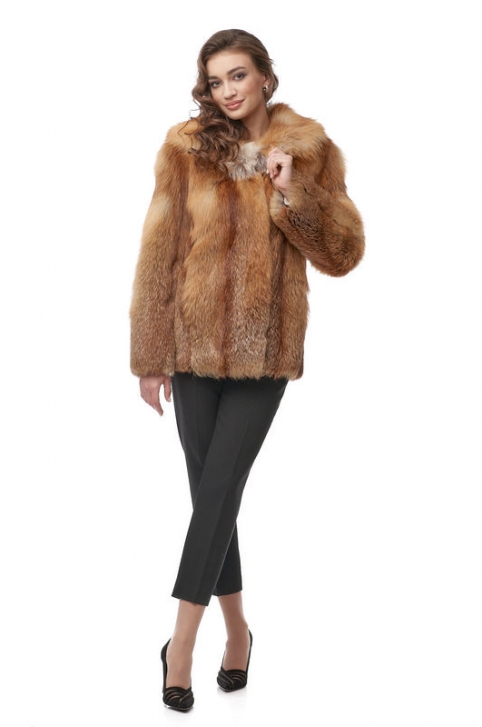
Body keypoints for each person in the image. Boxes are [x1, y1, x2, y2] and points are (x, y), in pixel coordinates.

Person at [130, 28, 365, 712]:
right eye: (216, 81)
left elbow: (344, 252)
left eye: (238, 75)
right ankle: (237, 632)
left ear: (265, 75)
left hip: (266, 353)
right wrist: (149, 356)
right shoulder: (186, 147)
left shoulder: (309, 149)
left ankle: (179, 645)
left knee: (218, 489)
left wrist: (294, 194)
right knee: (214, 496)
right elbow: (159, 250)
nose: (228, 90)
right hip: (191, 348)